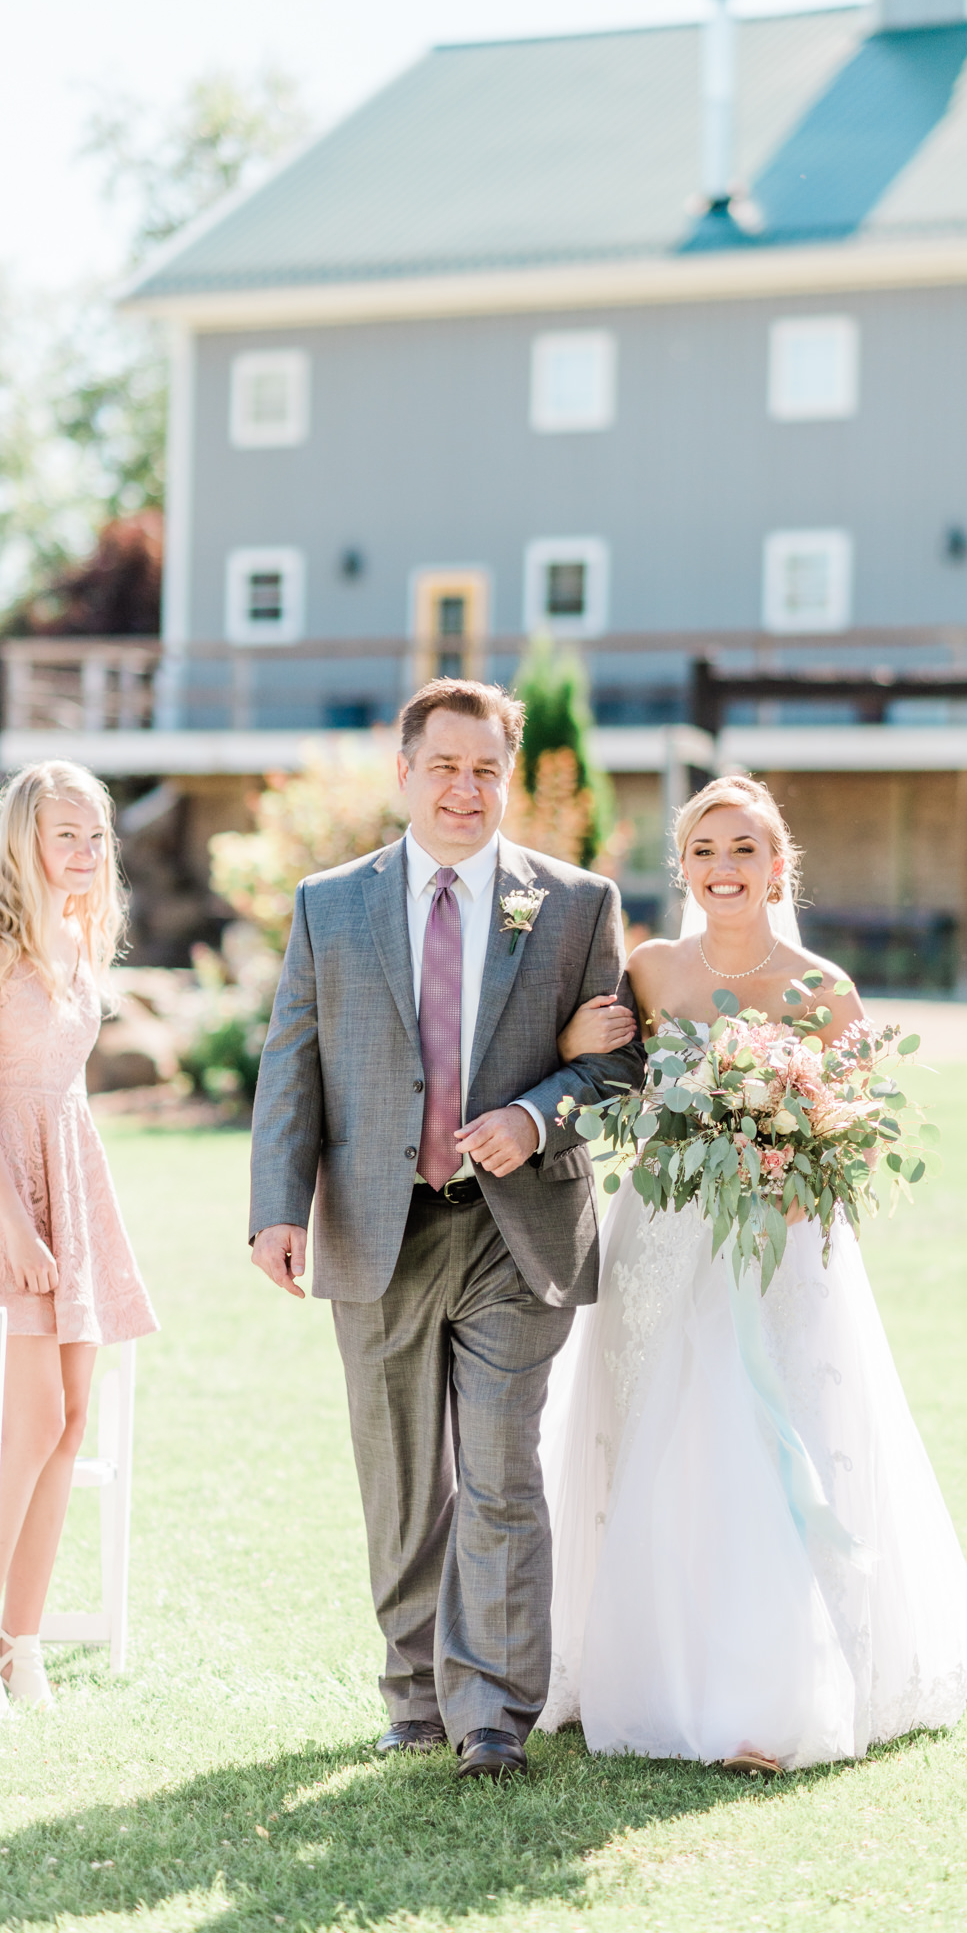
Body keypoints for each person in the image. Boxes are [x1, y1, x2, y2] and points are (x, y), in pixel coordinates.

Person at [540, 773, 967, 1771]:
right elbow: (603, 1079)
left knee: (769, 1439)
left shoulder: (823, 988)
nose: (725, 868)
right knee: (654, 1439)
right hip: (663, 1236)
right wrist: (580, 1039)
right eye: (706, 850)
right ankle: (644, 1667)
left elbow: (854, 1132)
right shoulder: (652, 972)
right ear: (682, 868)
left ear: (778, 865)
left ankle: (771, 1696)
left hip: (777, 1249)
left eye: (745, 848)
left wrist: (793, 1162)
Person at [249, 678, 645, 1780]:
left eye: (486, 770)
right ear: (405, 770)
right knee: (398, 1478)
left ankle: (491, 1714)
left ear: (506, 780)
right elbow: (294, 1062)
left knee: (500, 1470)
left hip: (516, 1233)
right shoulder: (331, 904)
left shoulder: (574, 904)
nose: (465, 790)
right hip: (377, 1225)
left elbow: (616, 1059)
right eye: (446, 766)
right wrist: (276, 1209)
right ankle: (413, 1694)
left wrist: (532, 1115)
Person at [0, 762, 158, 1711]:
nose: (87, 853)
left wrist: (74, 1206)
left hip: (71, 1175)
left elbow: (66, 1080)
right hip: (0, 1185)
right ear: (23, 836)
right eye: (67, 835)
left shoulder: (76, 930)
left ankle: (20, 1642)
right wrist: (17, 1222)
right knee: (31, 1421)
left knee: (71, 1417)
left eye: (97, 836)